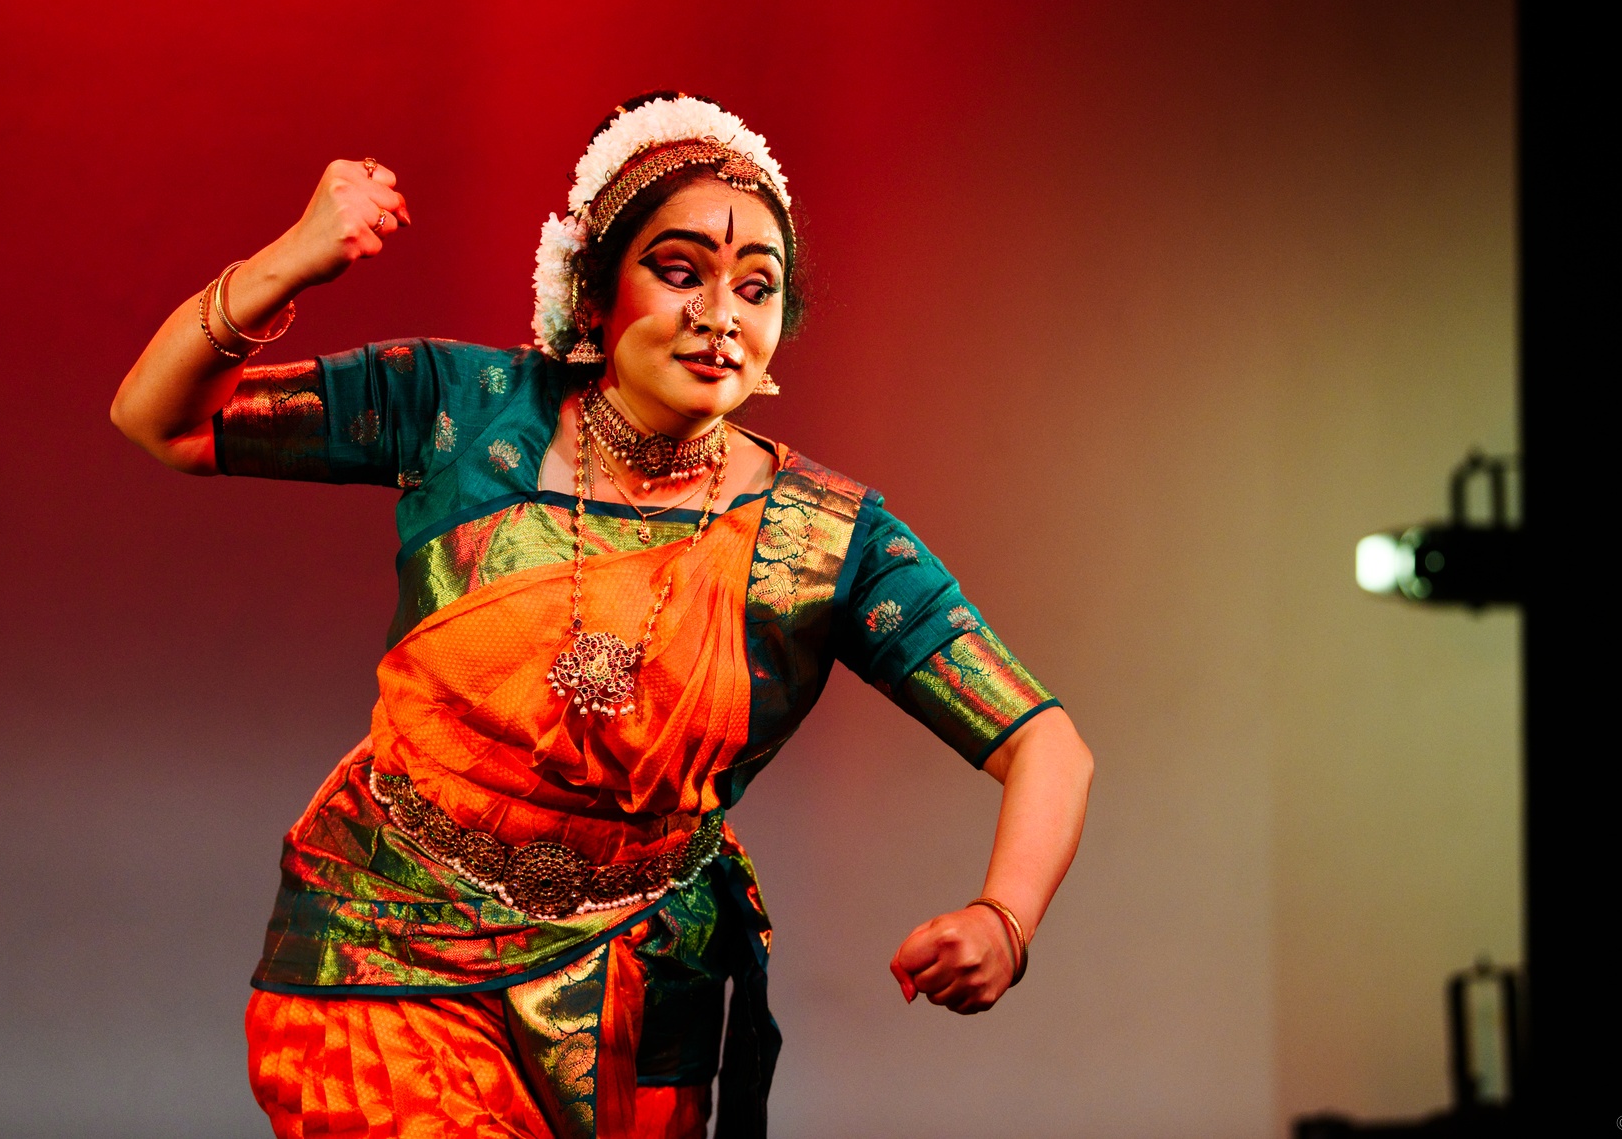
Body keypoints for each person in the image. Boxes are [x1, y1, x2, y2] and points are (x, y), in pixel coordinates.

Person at [111, 92, 1093, 1139]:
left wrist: (1005, 919)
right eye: (679, 271)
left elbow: (1046, 745)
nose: (719, 314)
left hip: (637, 989)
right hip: (383, 945)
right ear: (592, 295)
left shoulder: (824, 540)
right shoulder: (460, 409)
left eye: (755, 287)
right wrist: (294, 260)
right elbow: (161, 419)